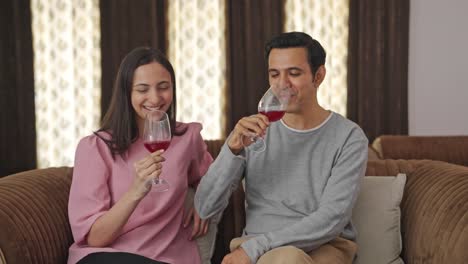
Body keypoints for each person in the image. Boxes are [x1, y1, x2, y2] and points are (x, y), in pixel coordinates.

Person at [195, 32, 368, 264]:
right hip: (258, 249)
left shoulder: (349, 137)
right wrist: (232, 151)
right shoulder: (251, 132)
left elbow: (332, 218)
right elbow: (205, 207)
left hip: (324, 247)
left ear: (319, 76)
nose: (282, 85)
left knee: (288, 259)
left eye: (294, 73)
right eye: (274, 74)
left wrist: (256, 247)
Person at [67, 47, 213, 264]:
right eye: (142, 89)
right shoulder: (95, 148)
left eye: (163, 87)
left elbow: (214, 178)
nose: (155, 98)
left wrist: (205, 200)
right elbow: (95, 238)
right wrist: (136, 192)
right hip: (106, 257)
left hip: (167, 258)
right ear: (127, 93)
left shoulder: (187, 138)